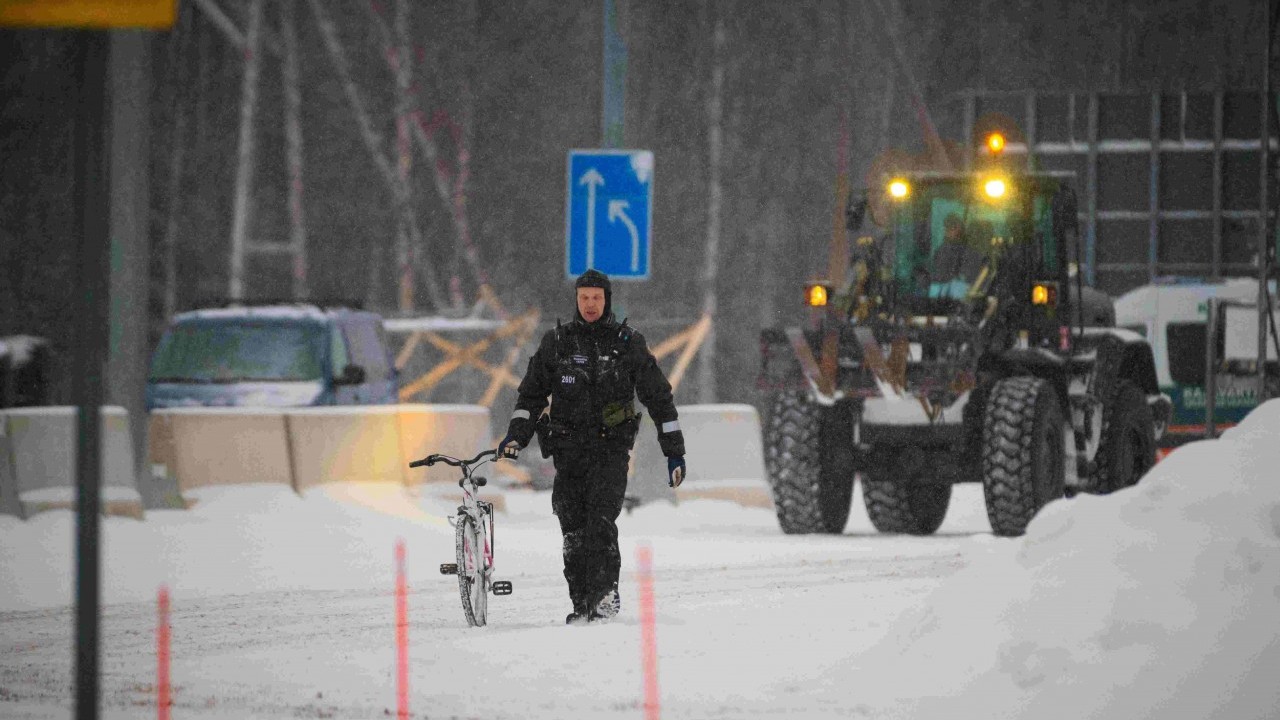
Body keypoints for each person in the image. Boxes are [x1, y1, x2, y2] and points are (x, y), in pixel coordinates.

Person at [497, 269, 687, 625]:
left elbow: (659, 399)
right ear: (576, 300)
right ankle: (581, 603)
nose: (589, 305)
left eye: (596, 298)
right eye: (584, 298)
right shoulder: (556, 343)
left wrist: (673, 450)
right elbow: (531, 396)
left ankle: (603, 597)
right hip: (568, 453)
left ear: (607, 300)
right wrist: (515, 437)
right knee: (573, 530)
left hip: (610, 451)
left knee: (600, 522)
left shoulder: (628, 344)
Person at [929, 213, 984, 299]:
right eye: (947, 228)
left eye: (952, 228)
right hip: (939, 303)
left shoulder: (973, 255)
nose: (948, 231)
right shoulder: (941, 251)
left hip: (960, 306)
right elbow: (937, 278)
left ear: (959, 228)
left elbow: (969, 286)